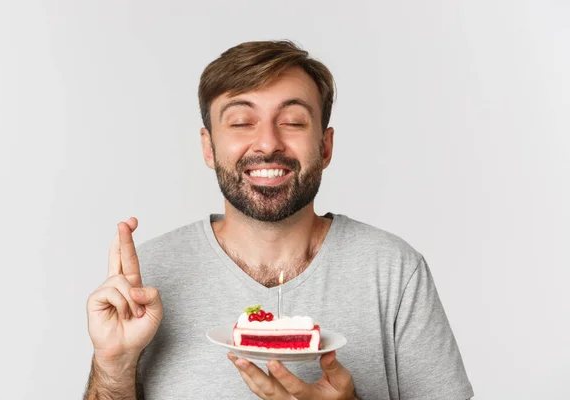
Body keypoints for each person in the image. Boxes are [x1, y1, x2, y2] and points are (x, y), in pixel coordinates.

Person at [84, 40, 474, 400]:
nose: (268, 143)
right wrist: (113, 366)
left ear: (325, 146)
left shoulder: (393, 271)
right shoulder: (147, 281)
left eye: (292, 121)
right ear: (208, 146)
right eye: (240, 122)